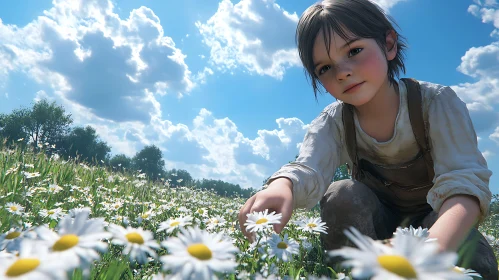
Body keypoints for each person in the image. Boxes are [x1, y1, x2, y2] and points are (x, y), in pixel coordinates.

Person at [237, 0, 498, 279]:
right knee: (341, 193)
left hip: (436, 224)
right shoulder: (334, 122)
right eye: (324, 68)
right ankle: (348, 271)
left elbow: (464, 183)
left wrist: (427, 249)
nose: (342, 72)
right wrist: (283, 185)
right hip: (370, 228)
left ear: (388, 45)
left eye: (354, 51)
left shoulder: (434, 103)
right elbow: (309, 166)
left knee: (477, 264)